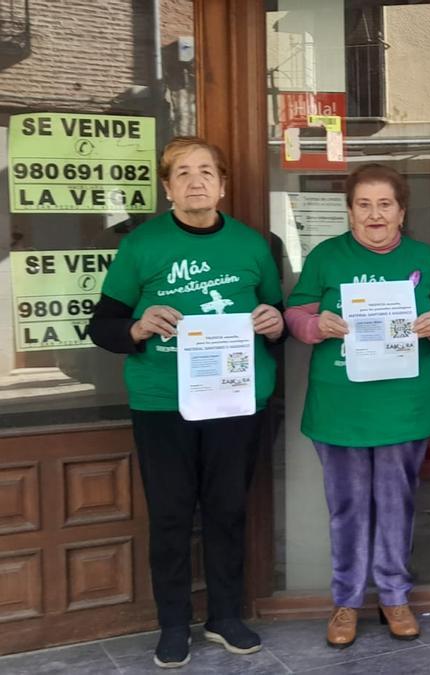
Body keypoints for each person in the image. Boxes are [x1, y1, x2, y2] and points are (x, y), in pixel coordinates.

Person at [88, 136, 286, 668]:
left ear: (222, 184)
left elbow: (276, 317)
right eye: (182, 173)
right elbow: (101, 325)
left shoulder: (254, 245)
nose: (195, 181)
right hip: (163, 402)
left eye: (205, 171)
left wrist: (275, 323)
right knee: (172, 515)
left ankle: (224, 615)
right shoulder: (141, 246)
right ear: (167, 187)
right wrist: (136, 326)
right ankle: (173, 623)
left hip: (236, 398)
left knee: (227, 510)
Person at [284, 163, 430, 649]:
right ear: (349, 212)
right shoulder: (326, 256)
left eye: (384, 204)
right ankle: (346, 602)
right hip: (340, 409)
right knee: (346, 509)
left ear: (401, 211)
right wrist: (314, 325)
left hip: (402, 408)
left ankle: (393, 596)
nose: (374, 214)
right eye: (363, 205)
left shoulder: (422, 258)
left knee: (395, 504)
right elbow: (296, 313)